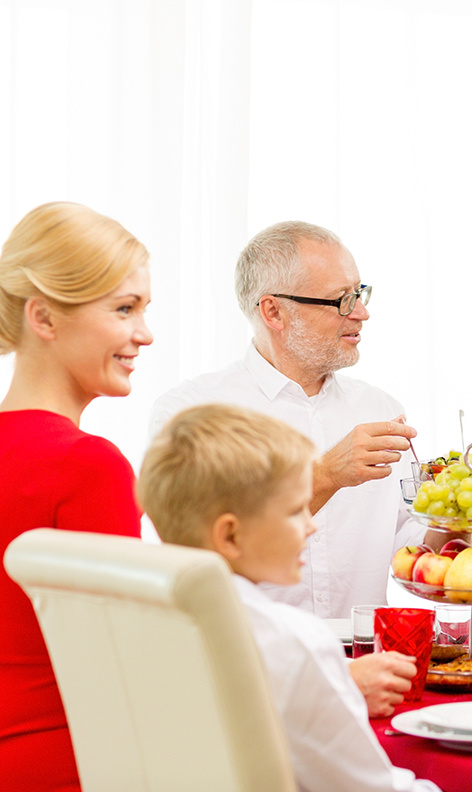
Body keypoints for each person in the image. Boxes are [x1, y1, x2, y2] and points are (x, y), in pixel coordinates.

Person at [138, 403, 438, 792]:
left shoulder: (146, 622)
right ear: (230, 535)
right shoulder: (293, 642)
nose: (311, 525)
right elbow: (369, 786)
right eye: (296, 511)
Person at [149, 220, 425, 621]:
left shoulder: (379, 408)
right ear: (273, 311)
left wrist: (458, 522)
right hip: (252, 666)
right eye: (342, 300)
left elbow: (409, 549)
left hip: (366, 664)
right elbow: (193, 561)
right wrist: (326, 474)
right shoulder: (192, 413)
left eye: (359, 293)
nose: (362, 313)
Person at [0, 202, 152, 792]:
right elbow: (129, 669)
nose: (145, 333)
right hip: (70, 763)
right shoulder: (89, 466)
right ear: (43, 318)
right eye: (124, 309)